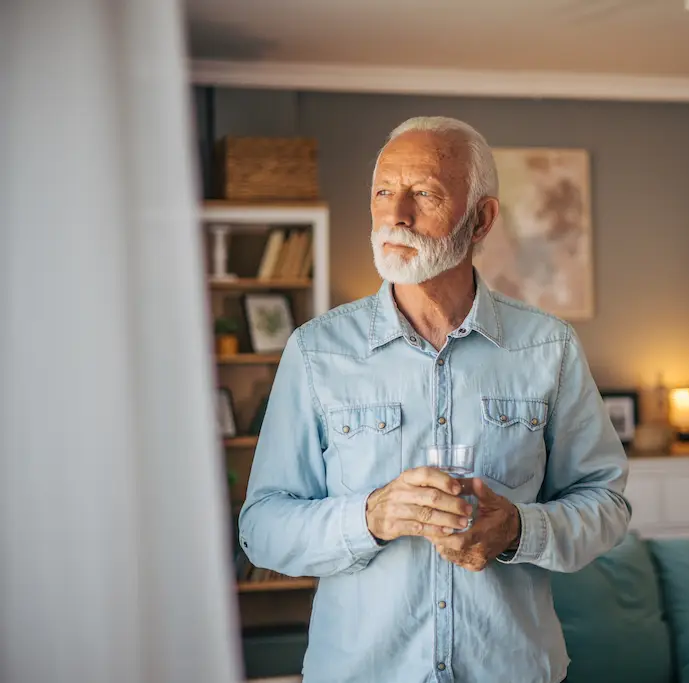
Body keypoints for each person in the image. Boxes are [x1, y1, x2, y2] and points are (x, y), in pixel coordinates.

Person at [238, 116, 631, 683]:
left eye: (424, 193)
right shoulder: (317, 352)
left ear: (481, 220)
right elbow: (262, 529)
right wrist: (370, 517)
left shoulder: (549, 347)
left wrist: (518, 529)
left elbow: (607, 507)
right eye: (382, 192)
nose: (396, 214)